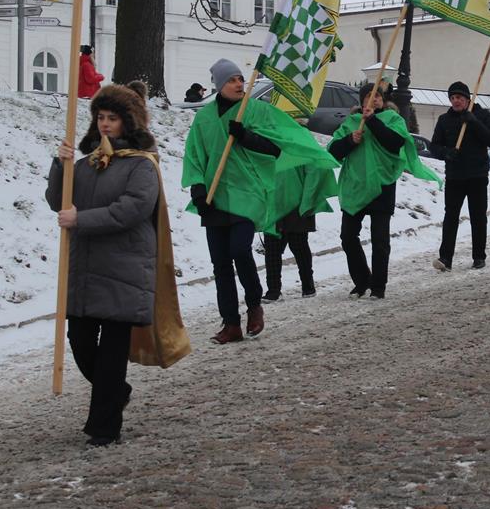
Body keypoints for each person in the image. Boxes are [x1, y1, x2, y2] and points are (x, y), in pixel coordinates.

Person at [183, 59, 337, 344]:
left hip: (248, 194)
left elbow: (275, 148)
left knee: (240, 250)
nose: (238, 84)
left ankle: (254, 304)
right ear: (219, 84)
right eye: (232, 80)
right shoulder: (203, 118)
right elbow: (195, 156)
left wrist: (245, 136)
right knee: (220, 264)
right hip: (215, 197)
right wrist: (199, 192)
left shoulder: (255, 111)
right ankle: (231, 324)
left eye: (240, 79)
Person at [44, 81, 161, 446]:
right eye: (100, 117)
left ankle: (104, 428)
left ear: (129, 121)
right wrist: (61, 166)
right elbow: (57, 201)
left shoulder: (142, 165)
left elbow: (132, 209)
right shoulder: (87, 163)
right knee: (80, 342)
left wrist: (81, 219)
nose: (105, 124)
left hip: (124, 269)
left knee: (111, 353)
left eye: (112, 118)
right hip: (86, 269)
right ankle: (116, 391)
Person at [329, 83, 439, 299]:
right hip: (356, 186)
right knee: (348, 237)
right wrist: (350, 140)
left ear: (382, 100)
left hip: (382, 185)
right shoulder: (352, 122)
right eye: (368, 96)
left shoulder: (393, 119)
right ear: (361, 101)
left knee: (380, 240)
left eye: (377, 96)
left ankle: (378, 286)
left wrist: (372, 121)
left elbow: (395, 142)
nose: (374, 99)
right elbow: (333, 151)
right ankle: (362, 280)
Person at [430, 81, 490, 271]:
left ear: (468, 99)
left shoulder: (482, 115)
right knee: (451, 217)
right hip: (455, 176)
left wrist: (474, 122)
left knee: (478, 216)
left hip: (477, 175)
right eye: (453, 98)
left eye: (459, 97)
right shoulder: (444, 120)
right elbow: (434, 146)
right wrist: (447, 153)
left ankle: (479, 256)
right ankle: (446, 258)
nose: (456, 101)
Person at [262, 162, 335, 302]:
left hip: (298, 203)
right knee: (272, 248)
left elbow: (314, 170)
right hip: (273, 203)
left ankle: (308, 286)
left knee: (299, 245)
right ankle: (273, 290)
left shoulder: (301, 149)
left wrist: (307, 200)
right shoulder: (267, 147)